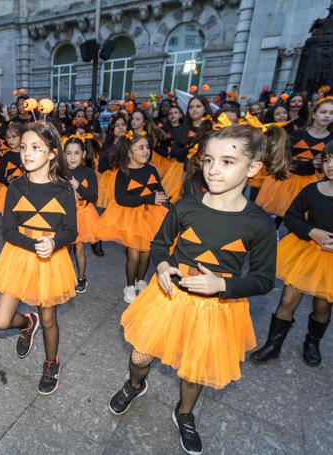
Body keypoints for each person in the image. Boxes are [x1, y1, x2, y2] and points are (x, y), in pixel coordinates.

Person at [108, 122, 289, 455]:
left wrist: (223, 284)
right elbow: (161, 243)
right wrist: (161, 264)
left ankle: (184, 412)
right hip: (169, 297)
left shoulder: (259, 223)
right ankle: (135, 384)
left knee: (194, 370)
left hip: (216, 308)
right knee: (140, 353)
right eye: (208, 160)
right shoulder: (185, 206)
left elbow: (264, 279)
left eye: (226, 162)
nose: (213, 170)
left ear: (252, 168)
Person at [0, 121, 77, 395]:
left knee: (49, 317)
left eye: (36, 148)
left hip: (51, 259)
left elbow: (71, 231)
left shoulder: (63, 190)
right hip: (19, 254)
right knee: (1, 322)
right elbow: (7, 230)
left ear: (52, 153)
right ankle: (27, 323)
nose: (26, 153)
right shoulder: (16, 186)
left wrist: (53, 243)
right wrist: (33, 244)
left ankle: (52, 362)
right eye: (24, 147)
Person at [251, 142, 333, 366]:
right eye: (326, 160)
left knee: (322, 306)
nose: (330, 165)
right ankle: (273, 345)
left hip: (330, 261)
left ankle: (312, 342)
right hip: (305, 252)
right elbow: (291, 217)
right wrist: (311, 231)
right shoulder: (312, 190)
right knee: (287, 300)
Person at [97, 130, 168, 303]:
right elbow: (121, 199)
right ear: (129, 152)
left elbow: (158, 189)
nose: (146, 151)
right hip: (130, 217)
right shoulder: (123, 173)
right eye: (141, 148)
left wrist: (164, 198)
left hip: (151, 216)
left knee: (147, 252)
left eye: (147, 147)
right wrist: (149, 198)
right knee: (134, 254)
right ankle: (129, 286)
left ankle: (141, 282)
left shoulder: (151, 169)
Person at [256, 98, 333, 223]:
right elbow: (284, 158)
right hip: (287, 177)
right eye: (323, 112)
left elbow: (328, 167)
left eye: (331, 113)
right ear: (314, 114)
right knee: (274, 210)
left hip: (310, 181)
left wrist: (322, 164)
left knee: (298, 215)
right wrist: (309, 164)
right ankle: (268, 233)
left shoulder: (331, 141)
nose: (327, 116)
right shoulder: (297, 134)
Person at [64, 134, 99, 293]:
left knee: (79, 247)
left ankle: (81, 277)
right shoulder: (60, 171)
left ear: (83, 154)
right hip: (64, 214)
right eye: (69, 153)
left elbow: (94, 196)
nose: (72, 157)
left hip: (82, 214)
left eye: (76, 153)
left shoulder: (88, 172)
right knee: (64, 247)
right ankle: (64, 276)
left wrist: (79, 187)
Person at [0, 122, 23, 215]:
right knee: (9, 218)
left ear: (21, 137)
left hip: (24, 192)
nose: (10, 140)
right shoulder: (6, 156)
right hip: (9, 192)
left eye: (14, 137)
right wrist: (6, 179)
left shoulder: (26, 154)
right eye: (8, 138)